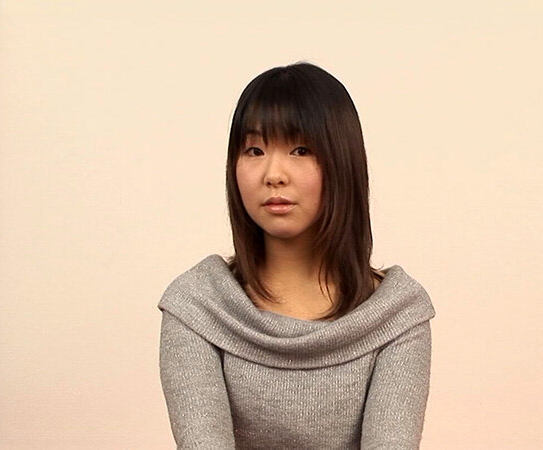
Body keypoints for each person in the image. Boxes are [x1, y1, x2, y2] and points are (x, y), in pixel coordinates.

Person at [157, 62, 436, 449]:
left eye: (300, 150)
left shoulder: (397, 314)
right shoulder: (197, 307)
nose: (274, 174)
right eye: (254, 150)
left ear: (342, 161)